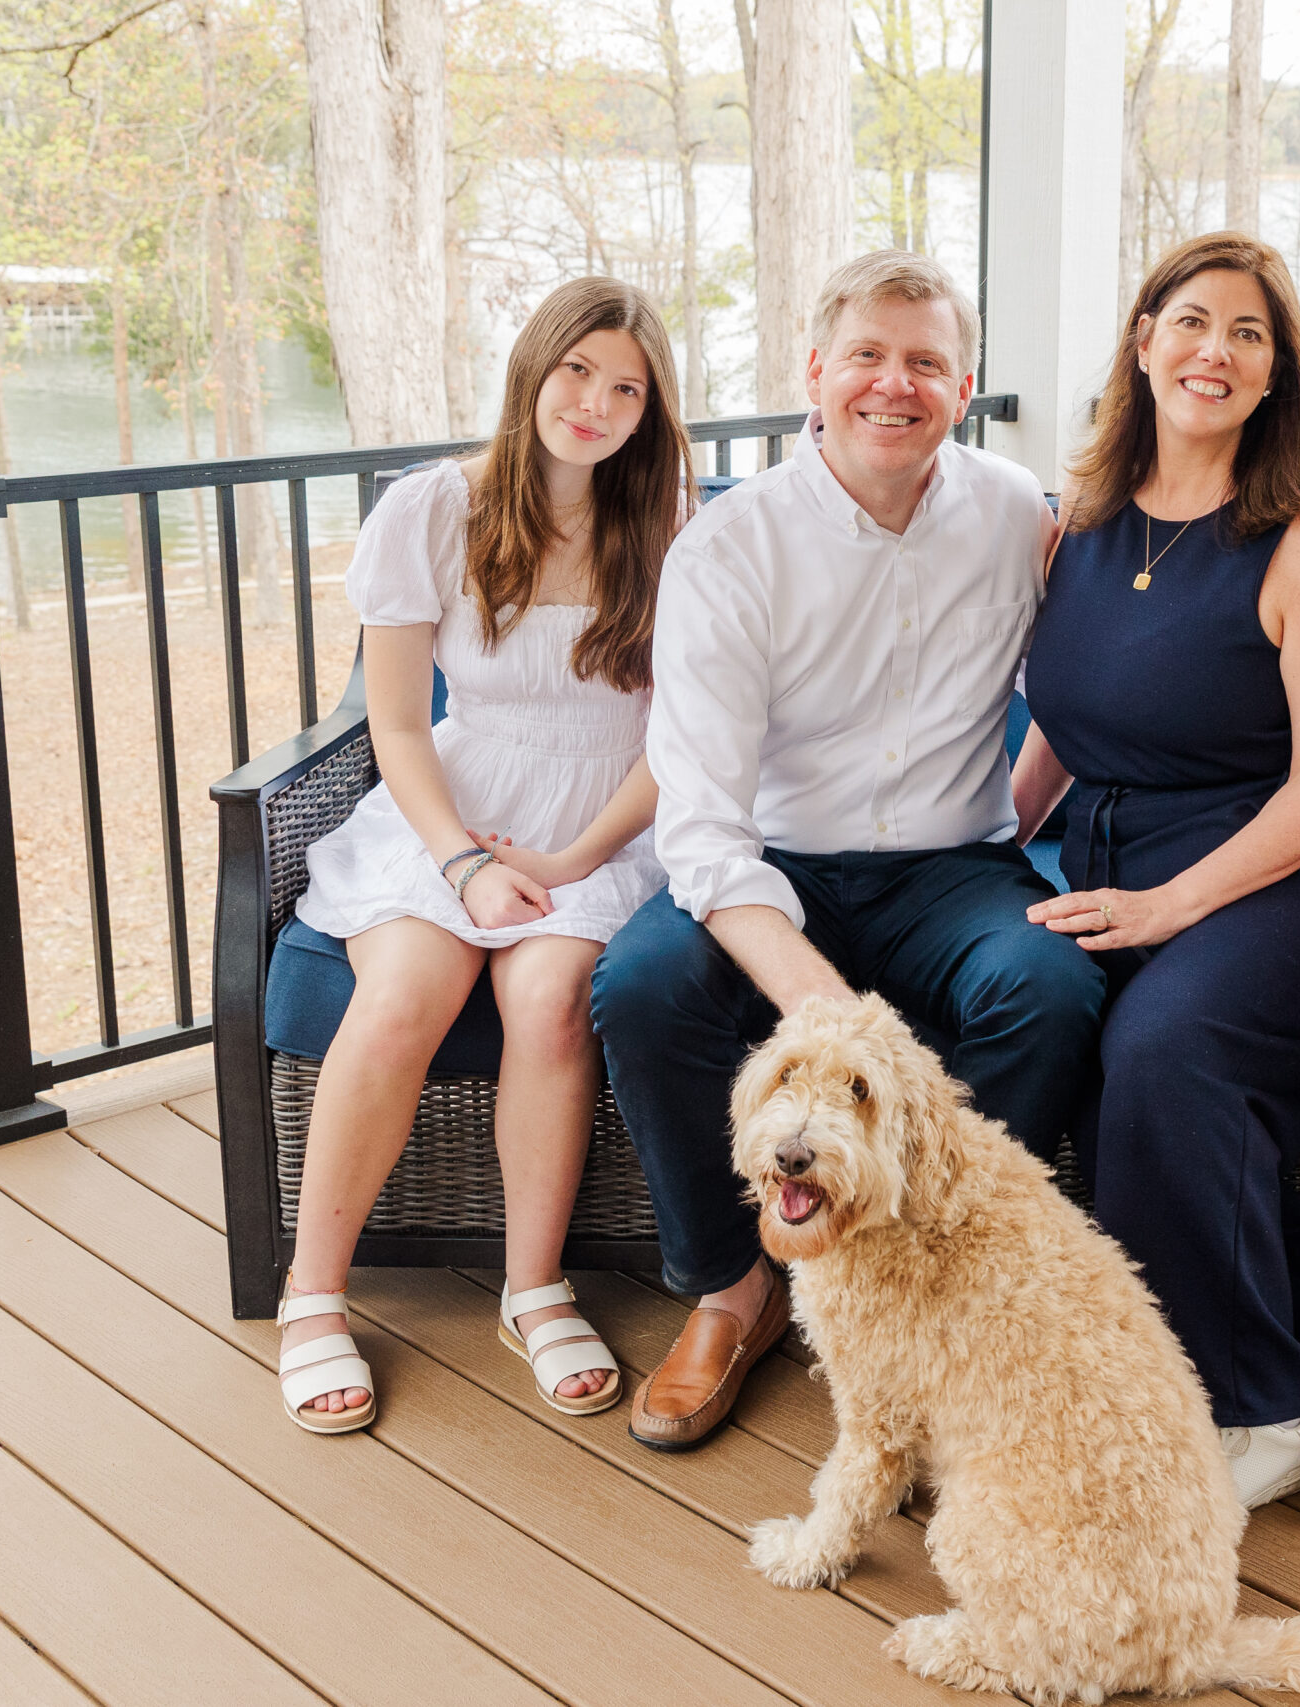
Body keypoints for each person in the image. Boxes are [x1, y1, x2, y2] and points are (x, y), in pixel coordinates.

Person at [593, 250, 1107, 1453]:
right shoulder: (729, 551)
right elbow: (705, 828)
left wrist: (1025, 816)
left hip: (949, 868)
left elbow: (1084, 695)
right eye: (867, 356)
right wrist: (837, 1021)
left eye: (926, 362)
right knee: (640, 985)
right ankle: (734, 1289)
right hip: (771, 872)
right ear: (814, 373)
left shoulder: (1014, 513)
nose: (895, 384)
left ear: (964, 385)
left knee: (1049, 986)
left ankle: (944, 1276)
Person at [1015, 231, 1300, 1509]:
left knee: (1163, 1055)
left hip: (1288, 877)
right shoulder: (1078, 521)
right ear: (1142, 342)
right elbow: (1073, 717)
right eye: (1190, 322)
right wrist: (1001, 840)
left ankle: (1256, 1408)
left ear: (1277, 372)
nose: (1212, 352)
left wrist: (1175, 904)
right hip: (1109, 857)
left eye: (1246, 333)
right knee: (1037, 1027)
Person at [276, 277, 686, 1434]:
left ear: (651, 411)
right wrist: (463, 863)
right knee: (404, 993)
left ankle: (532, 1286)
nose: (595, 403)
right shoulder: (432, 509)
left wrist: (567, 858)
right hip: (449, 809)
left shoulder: (669, 527)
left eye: (626, 388)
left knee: (554, 997)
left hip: (604, 819)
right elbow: (397, 726)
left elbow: (677, 742)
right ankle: (312, 1293)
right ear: (533, 366)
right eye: (576, 372)